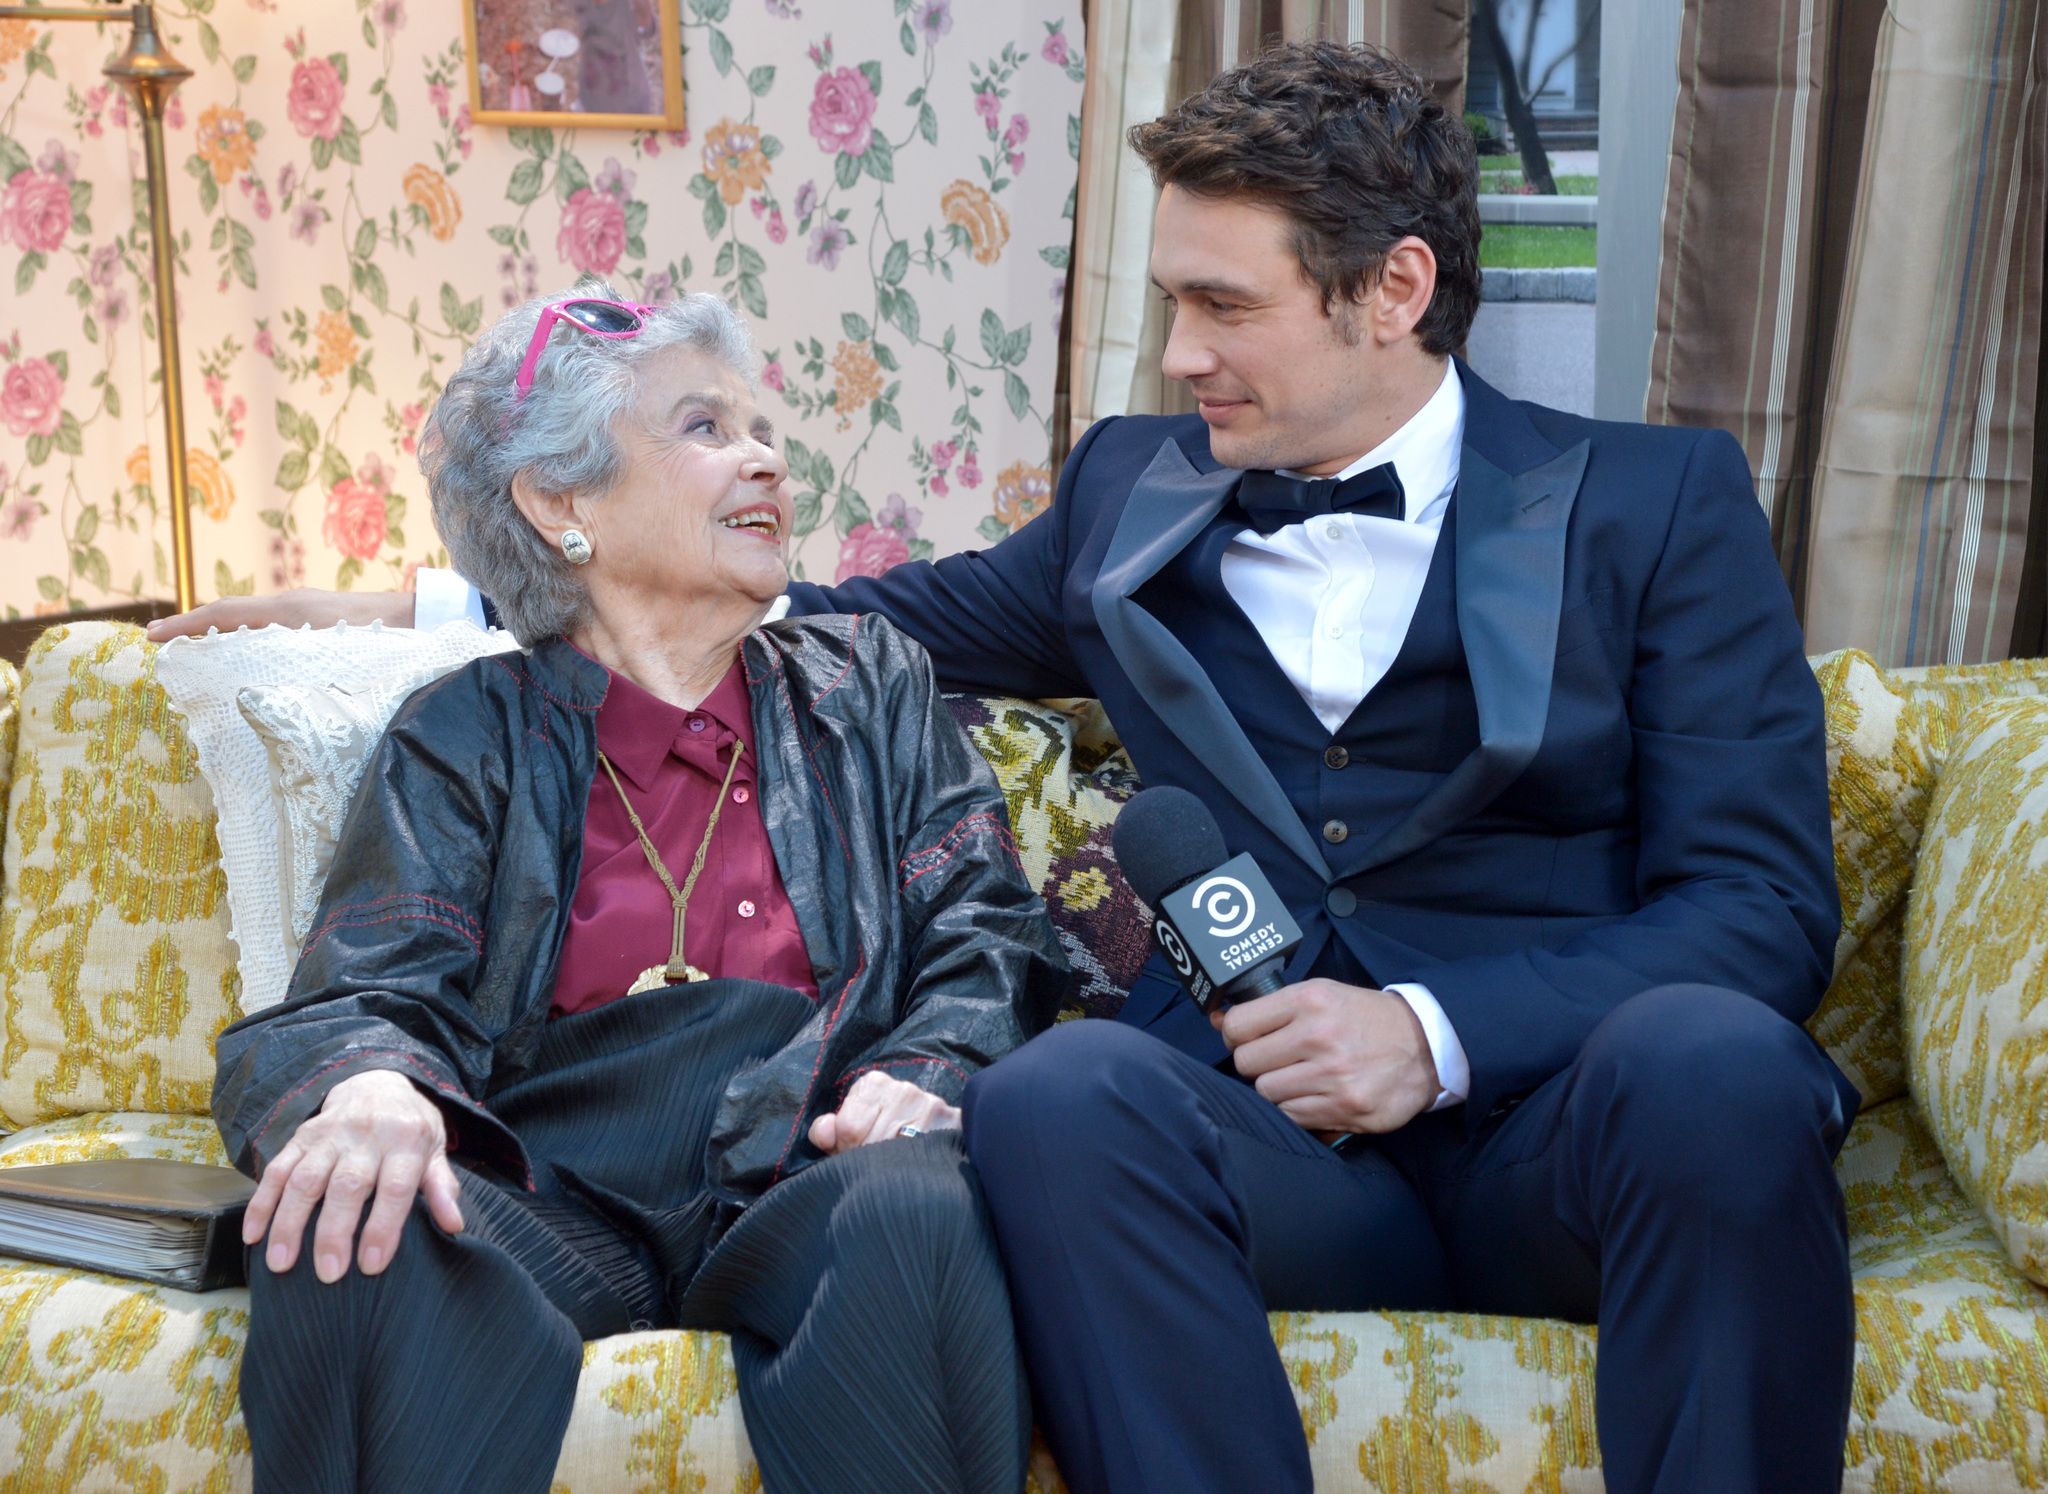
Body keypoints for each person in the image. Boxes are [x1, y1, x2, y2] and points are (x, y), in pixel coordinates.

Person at [162, 43, 1855, 1494]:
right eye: (1168, 301)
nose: (1178, 352)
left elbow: (1763, 906)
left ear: (1391, 288)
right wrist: (434, 595)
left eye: (1220, 304)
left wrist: (1426, 1033)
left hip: (1556, 1132)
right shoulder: (1136, 493)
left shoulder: (1656, 504)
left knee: (1722, 1059)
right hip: (1265, 1157)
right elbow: (795, 603)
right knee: (1051, 1096)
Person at [207, 287, 1066, 1494]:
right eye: (705, 427)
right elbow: (363, 986)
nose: (765, 455)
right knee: (356, 1227)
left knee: (919, 1212)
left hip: (814, 1161)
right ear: (562, 504)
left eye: (763, 429)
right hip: (549, 1181)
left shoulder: (866, 684)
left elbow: (983, 923)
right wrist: (370, 1087)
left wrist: (924, 1079)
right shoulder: (466, 733)